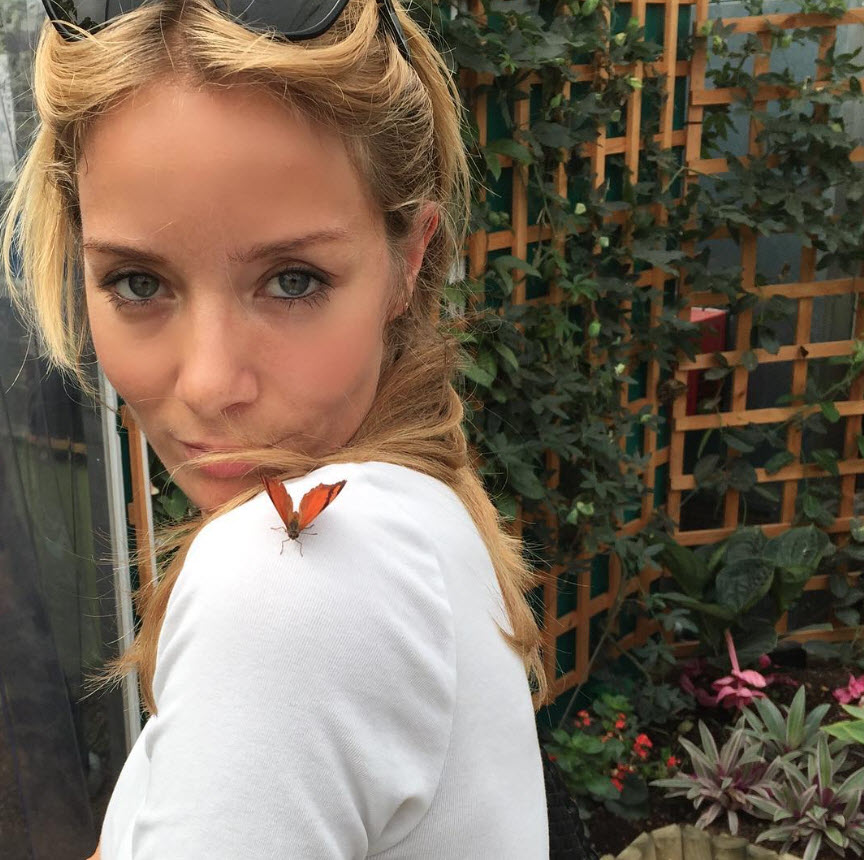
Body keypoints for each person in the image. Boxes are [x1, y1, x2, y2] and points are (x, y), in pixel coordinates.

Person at [1, 0, 553, 856]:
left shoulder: (284, 585)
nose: (210, 383)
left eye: (294, 280)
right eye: (138, 283)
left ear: (409, 260)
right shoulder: (428, 513)